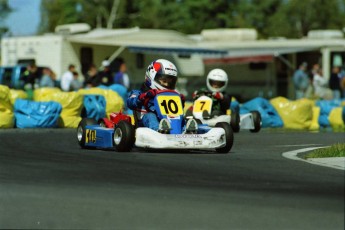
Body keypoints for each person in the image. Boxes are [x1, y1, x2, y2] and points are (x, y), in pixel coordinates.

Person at [126, 59, 198, 134]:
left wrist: (180, 101)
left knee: (181, 118)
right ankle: (159, 131)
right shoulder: (139, 93)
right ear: (151, 76)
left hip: (166, 122)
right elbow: (130, 102)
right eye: (164, 81)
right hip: (144, 124)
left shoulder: (173, 95)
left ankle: (186, 131)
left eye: (170, 82)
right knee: (150, 116)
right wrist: (143, 96)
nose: (167, 85)